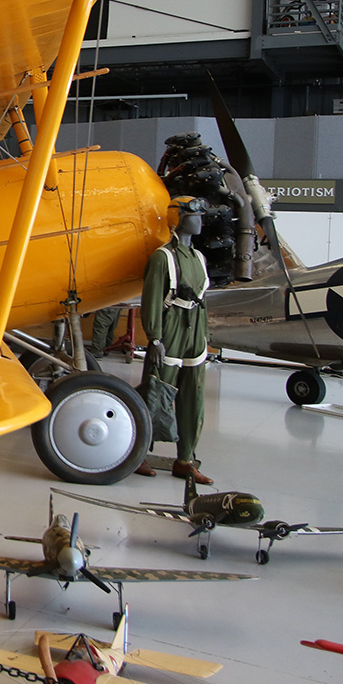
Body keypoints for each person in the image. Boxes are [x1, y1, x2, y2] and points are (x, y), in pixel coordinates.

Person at [139, 196, 212, 483]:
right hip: (170, 330)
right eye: (195, 214)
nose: (201, 220)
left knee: (193, 396)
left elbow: (203, 299)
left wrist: (204, 335)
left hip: (195, 331)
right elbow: (152, 300)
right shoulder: (163, 257)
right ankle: (139, 453)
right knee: (157, 391)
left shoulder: (198, 258)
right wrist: (154, 337)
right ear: (179, 218)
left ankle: (186, 459)